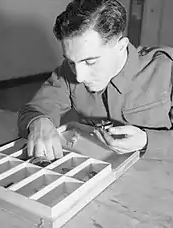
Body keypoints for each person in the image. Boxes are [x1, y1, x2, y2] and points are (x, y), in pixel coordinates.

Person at [18, 0, 173, 161]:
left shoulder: (166, 69)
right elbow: (35, 108)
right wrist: (39, 121)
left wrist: (147, 141)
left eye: (90, 62)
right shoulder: (69, 71)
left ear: (121, 47)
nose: (79, 76)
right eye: (71, 62)